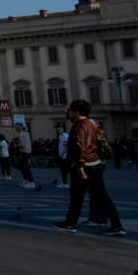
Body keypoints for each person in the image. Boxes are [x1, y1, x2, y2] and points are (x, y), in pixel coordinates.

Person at [54, 100, 126, 236]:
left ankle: (70, 223)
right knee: (101, 196)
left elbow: (82, 148)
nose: (68, 113)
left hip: (84, 166)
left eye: (70, 110)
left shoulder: (81, 127)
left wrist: (80, 167)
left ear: (77, 112)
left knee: (77, 196)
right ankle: (117, 225)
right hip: (95, 164)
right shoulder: (91, 123)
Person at [14, 122, 36, 188]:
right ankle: (26, 180)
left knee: (25, 167)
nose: (15, 128)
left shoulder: (20, 135)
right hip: (28, 151)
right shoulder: (26, 133)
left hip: (24, 152)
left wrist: (16, 145)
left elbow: (22, 145)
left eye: (16, 127)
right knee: (21, 166)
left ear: (19, 127)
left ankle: (31, 182)